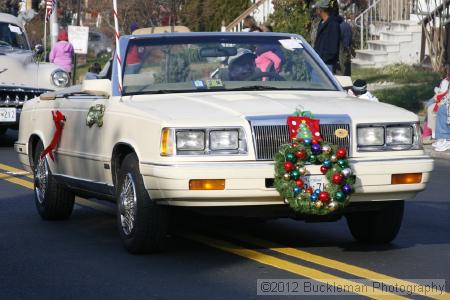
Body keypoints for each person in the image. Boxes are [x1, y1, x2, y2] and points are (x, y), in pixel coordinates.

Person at [313, 0, 340, 74]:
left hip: (326, 64)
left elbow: (333, 47)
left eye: (317, 8)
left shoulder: (333, 24)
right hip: (317, 62)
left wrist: (324, 59)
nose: (316, 10)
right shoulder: (321, 23)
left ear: (320, 9)